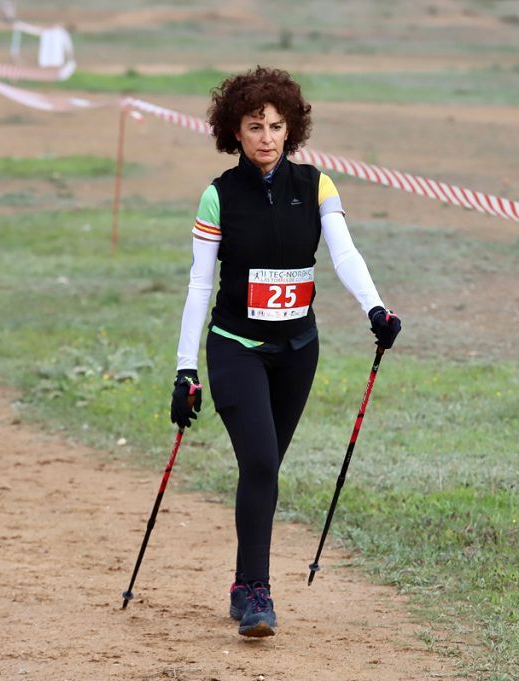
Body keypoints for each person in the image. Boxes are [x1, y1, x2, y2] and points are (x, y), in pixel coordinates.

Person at [170, 66, 401, 638]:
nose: (267, 136)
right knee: (262, 463)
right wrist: (184, 369)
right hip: (236, 348)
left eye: (277, 125)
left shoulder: (317, 186)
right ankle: (257, 592)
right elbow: (201, 285)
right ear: (236, 132)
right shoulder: (218, 195)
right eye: (255, 126)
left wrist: (375, 308)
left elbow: (344, 254)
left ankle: (242, 582)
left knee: (264, 469)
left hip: (298, 349)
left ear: (291, 129)